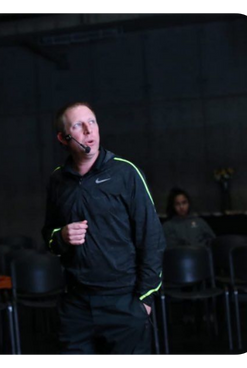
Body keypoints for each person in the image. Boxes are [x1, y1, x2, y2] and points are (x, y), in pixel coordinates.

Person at [42, 102, 166, 358]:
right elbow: (49, 236)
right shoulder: (58, 181)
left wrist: (144, 301)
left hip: (124, 301)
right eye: (78, 125)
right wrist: (61, 236)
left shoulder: (126, 173)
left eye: (93, 122)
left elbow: (152, 238)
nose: (89, 130)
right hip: (76, 304)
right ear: (63, 138)